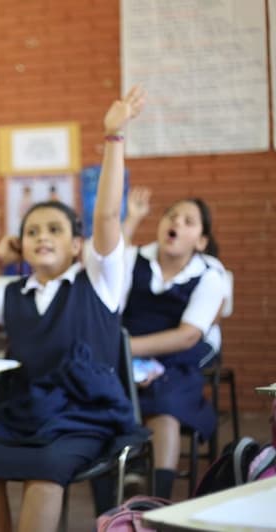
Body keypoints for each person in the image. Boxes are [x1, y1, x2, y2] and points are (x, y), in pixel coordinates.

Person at [0, 87, 147, 532]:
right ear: (21, 245)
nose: (42, 237)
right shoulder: (12, 293)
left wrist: (113, 137)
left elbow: (105, 219)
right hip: (21, 411)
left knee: (46, 470)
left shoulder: (101, 281)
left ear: (77, 244)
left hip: (85, 414)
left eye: (54, 229)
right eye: (31, 231)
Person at [120, 186, 226, 499]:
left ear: (201, 240)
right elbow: (106, 266)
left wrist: (126, 351)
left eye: (188, 221)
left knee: (166, 405)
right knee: (112, 394)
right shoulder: (135, 258)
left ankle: (158, 498)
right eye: (172, 215)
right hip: (129, 348)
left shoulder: (209, 275)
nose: (177, 223)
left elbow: (188, 335)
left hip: (178, 354)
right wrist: (131, 219)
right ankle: (130, 467)